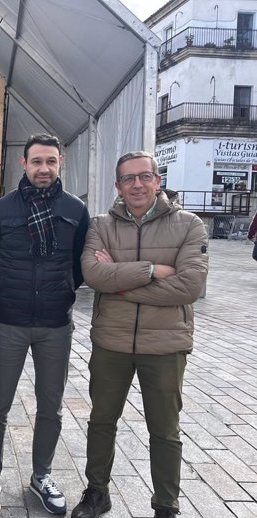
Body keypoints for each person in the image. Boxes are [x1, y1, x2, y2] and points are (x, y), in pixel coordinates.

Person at [72, 151, 208, 518]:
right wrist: (154, 270)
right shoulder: (101, 224)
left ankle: (166, 504)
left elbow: (189, 287)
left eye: (144, 176)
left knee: (165, 429)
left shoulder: (189, 224)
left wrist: (118, 281)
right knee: (101, 421)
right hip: (111, 342)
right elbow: (92, 275)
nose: (136, 184)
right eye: (128, 178)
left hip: (165, 345)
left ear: (157, 180)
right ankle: (97, 492)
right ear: (117, 185)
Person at [0, 133, 90, 515]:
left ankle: (42, 475)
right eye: (37, 161)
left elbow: (79, 264)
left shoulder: (75, 210)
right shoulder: (2, 210)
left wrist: (62, 291)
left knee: (51, 406)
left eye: (51, 161)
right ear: (23, 164)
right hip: (8, 321)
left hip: (56, 323)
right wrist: (6, 293)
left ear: (60, 164)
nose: (44, 168)